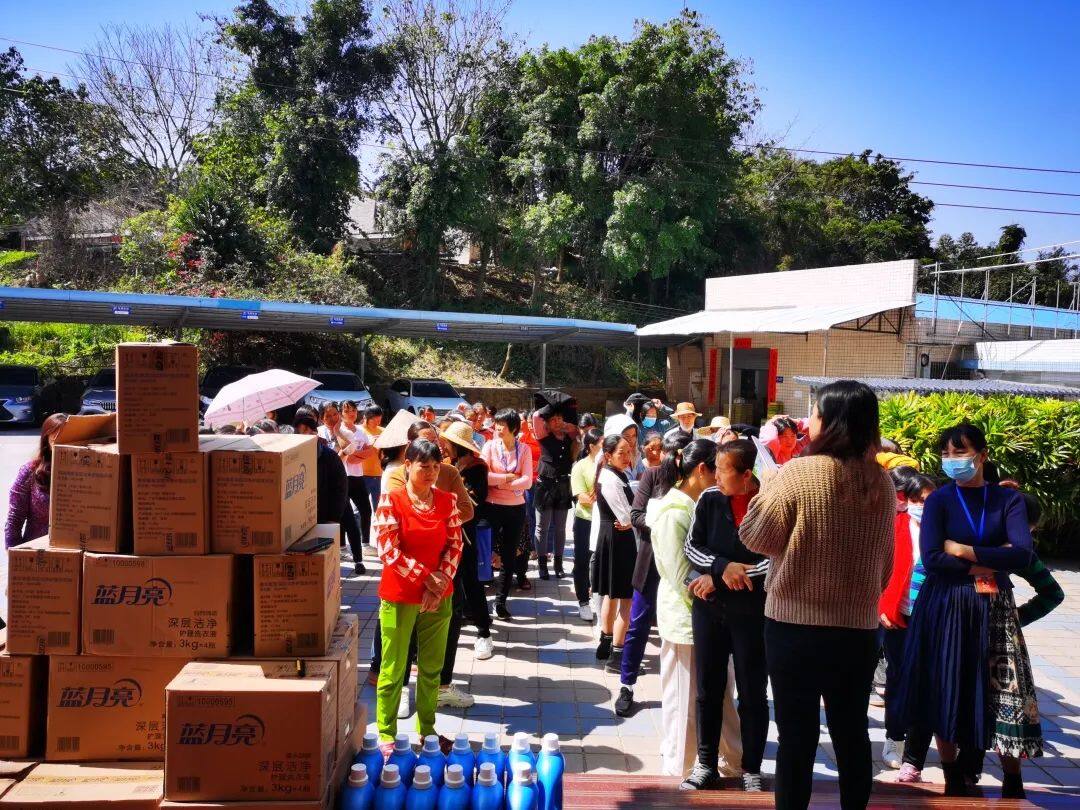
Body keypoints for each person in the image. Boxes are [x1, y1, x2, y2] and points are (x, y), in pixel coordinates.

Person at [740, 380, 895, 810]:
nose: (808, 420)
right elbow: (885, 565)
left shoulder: (797, 472)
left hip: (793, 626)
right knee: (851, 733)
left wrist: (767, 484)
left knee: (796, 738)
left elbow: (755, 536)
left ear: (829, 421)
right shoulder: (881, 482)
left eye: (814, 412)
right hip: (858, 629)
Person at [891, 424, 1040, 799]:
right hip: (945, 604)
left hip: (994, 607)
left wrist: (966, 551)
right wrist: (990, 559)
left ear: (982, 455)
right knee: (946, 683)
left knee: (1007, 689)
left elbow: (1022, 554)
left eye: (962, 452)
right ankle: (952, 770)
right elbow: (935, 559)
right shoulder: (940, 500)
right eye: (948, 453)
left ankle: (1013, 776)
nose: (954, 460)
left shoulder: (1009, 501)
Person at [683, 439, 769, 793]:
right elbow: (692, 546)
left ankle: (751, 767)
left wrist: (728, 574)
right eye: (715, 467)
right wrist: (721, 568)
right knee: (708, 689)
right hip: (711, 607)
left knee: (752, 692)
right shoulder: (709, 499)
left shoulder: (767, 503)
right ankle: (705, 764)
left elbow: (776, 556)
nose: (715, 474)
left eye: (723, 469)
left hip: (752, 612)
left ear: (746, 474)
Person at [373, 439, 462, 750]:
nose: (431, 473)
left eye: (436, 467)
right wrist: (429, 580)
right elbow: (388, 551)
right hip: (401, 594)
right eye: (424, 466)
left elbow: (455, 544)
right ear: (407, 465)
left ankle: (427, 728)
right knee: (393, 666)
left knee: (431, 667)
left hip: (440, 596)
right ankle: (386, 733)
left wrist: (441, 582)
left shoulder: (447, 501)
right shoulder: (391, 501)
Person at [385, 420, 481, 709]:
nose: (432, 461)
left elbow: (465, 510)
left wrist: (440, 521)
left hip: (443, 567)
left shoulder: (449, 473)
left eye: (436, 449)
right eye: (424, 449)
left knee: (447, 627)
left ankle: (441, 689)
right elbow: (390, 539)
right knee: (399, 640)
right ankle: (401, 692)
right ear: (409, 455)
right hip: (405, 575)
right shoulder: (395, 478)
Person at [646, 439, 718, 778]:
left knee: (695, 696)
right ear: (701, 470)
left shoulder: (690, 505)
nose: (722, 477)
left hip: (697, 615)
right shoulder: (675, 511)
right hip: (684, 614)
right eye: (719, 469)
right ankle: (679, 766)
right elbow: (680, 575)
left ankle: (691, 760)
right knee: (681, 699)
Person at [616, 432, 694, 714]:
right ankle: (626, 685)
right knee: (638, 624)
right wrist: (664, 524)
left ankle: (685, 693)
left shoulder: (697, 482)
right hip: (652, 562)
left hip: (687, 565)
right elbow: (635, 515)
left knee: (682, 631)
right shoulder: (653, 477)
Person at [876, 467, 937, 771]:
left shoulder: (941, 529)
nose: (923, 506)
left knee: (926, 682)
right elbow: (877, 570)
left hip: (933, 617)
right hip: (897, 615)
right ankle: (894, 738)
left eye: (929, 500)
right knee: (898, 679)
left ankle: (916, 750)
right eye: (918, 500)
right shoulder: (894, 524)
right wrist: (881, 607)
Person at [441, 421, 495, 662]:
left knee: (472, 581)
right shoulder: (448, 465)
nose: (444, 447)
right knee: (451, 582)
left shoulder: (476, 468)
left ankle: (484, 632)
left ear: (457, 446)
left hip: (468, 532)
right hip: (448, 532)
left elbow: (475, 500)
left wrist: (449, 499)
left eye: (448, 444)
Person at [480, 409, 533, 619]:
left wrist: (500, 483)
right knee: (484, 550)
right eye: (496, 424)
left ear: (513, 428)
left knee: (510, 555)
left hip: (516, 508)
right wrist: (510, 479)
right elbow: (485, 476)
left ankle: (501, 601)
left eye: (501, 425)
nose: (497, 428)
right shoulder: (489, 446)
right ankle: (478, 596)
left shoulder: (525, 449)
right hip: (491, 506)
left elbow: (527, 480)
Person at [592, 432, 637, 670]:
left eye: (629, 451)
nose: (627, 457)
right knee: (625, 599)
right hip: (618, 540)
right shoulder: (610, 478)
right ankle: (617, 657)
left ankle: (606, 644)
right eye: (621, 452)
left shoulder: (616, 474)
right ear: (608, 455)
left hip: (614, 538)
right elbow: (626, 516)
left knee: (612, 594)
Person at [293, 413, 359, 577]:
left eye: (308, 430)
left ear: (315, 432)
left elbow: (340, 488)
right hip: (300, 518)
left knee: (325, 562)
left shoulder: (328, 456)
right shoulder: (293, 458)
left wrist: (333, 518)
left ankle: (358, 560)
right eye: (300, 431)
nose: (304, 435)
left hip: (325, 515)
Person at [531, 393, 579, 581]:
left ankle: (558, 564)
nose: (558, 422)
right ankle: (542, 564)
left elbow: (577, 429)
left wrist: (566, 423)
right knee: (542, 527)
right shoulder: (543, 436)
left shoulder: (570, 436)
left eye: (560, 418)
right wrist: (553, 404)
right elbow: (536, 417)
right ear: (548, 423)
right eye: (554, 419)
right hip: (545, 484)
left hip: (563, 484)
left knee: (560, 528)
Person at [6, 413, 67, 548]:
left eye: (66, 435)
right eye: (55, 435)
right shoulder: (30, 471)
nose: (60, 440)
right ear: (47, 439)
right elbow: (14, 518)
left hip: (72, 551)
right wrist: (14, 554)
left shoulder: (85, 472)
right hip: (36, 552)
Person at [570, 428, 602, 622]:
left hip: (604, 520)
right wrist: (599, 497)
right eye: (601, 445)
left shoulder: (608, 464)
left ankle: (598, 596)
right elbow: (582, 498)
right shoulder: (580, 466)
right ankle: (583, 600)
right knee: (582, 561)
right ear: (591, 447)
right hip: (585, 520)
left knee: (599, 561)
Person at [339, 400, 375, 558]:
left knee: (366, 509)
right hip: (343, 476)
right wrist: (358, 455)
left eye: (353, 410)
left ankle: (365, 543)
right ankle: (341, 547)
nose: (351, 413)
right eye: (347, 411)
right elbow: (348, 456)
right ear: (341, 413)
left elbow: (369, 451)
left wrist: (357, 455)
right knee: (341, 511)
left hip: (358, 475)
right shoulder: (339, 431)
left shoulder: (361, 432)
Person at [359, 405, 386, 543]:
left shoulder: (383, 431)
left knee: (379, 508)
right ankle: (359, 537)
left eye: (379, 420)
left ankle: (379, 539)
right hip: (362, 474)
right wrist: (371, 442)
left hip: (378, 474)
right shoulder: (360, 431)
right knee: (361, 508)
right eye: (375, 421)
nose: (378, 423)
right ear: (367, 419)